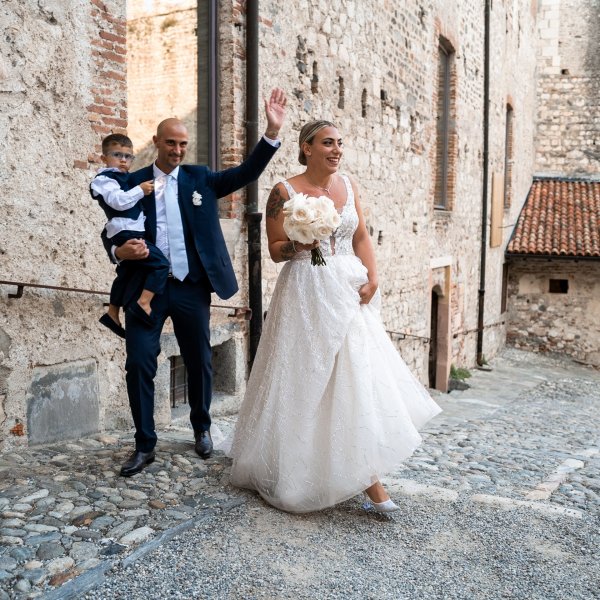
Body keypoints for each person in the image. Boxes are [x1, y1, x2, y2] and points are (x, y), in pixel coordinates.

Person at [228, 120, 442, 513]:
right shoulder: (284, 191)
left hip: (348, 289)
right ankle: (330, 473)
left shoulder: (348, 185)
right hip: (306, 292)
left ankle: (364, 473)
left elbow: (360, 236)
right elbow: (275, 250)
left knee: (355, 373)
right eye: (328, 143)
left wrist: (374, 276)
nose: (336, 150)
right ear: (306, 148)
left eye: (339, 143)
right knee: (308, 376)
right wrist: (300, 239)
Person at [106, 88, 288, 477]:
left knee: (200, 360)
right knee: (138, 362)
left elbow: (245, 174)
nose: (177, 150)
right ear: (155, 142)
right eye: (170, 142)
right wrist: (121, 253)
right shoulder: (132, 183)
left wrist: (271, 133)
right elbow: (112, 231)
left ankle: (201, 427)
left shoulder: (200, 178)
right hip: (144, 290)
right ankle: (144, 445)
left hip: (191, 286)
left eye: (183, 144)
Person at [91, 134, 170, 338]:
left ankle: (112, 312)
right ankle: (143, 302)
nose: (123, 160)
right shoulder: (102, 180)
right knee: (161, 264)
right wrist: (140, 190)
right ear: (104, 158)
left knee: (125, 272)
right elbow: (118, 201)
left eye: (128, 156)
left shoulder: (126, 177)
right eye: (117, 155)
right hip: (125, 231)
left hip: (131, 228)